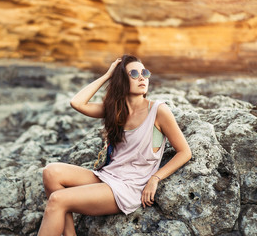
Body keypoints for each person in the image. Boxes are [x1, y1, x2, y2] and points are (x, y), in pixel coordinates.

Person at [37, 55, 191, 236]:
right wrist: (107, 75)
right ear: (121, 80)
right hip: (108, 176)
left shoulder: (158, 110)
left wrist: (155, 179)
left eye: (145, 73)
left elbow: (184, 152)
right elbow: (77, 103)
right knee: (51, 171)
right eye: (134, 73)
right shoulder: (115, 110)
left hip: (128, 187)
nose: (142, 78)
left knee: (57, 200)